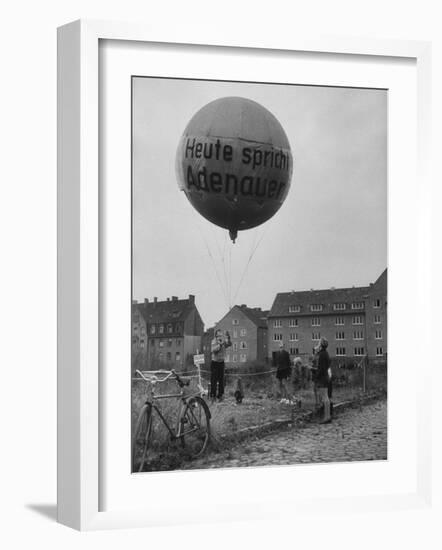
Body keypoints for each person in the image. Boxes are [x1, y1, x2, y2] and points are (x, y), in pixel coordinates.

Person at [210, 329, 232, 402]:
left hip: (221, 363)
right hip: (215, 363)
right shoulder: (214, 341)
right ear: (216, 335)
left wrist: (228, 338)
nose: (220, 336)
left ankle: (220, 396)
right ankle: (213, 396)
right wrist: (220, 344)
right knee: (214, 380)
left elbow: (229, 344)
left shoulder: (223, 341)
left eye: (221, 335)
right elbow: (213, 350)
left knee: (221, 380)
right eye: (219, 335)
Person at [315, 337, 332, 423]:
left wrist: (316, 376)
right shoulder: (326, 353)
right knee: (326, 397)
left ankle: (326, 417)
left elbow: (321, 368)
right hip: (326, 377)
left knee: (325, 397)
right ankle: (328, 415)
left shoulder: (322, 354)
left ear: (321, 345)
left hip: (322, 378)